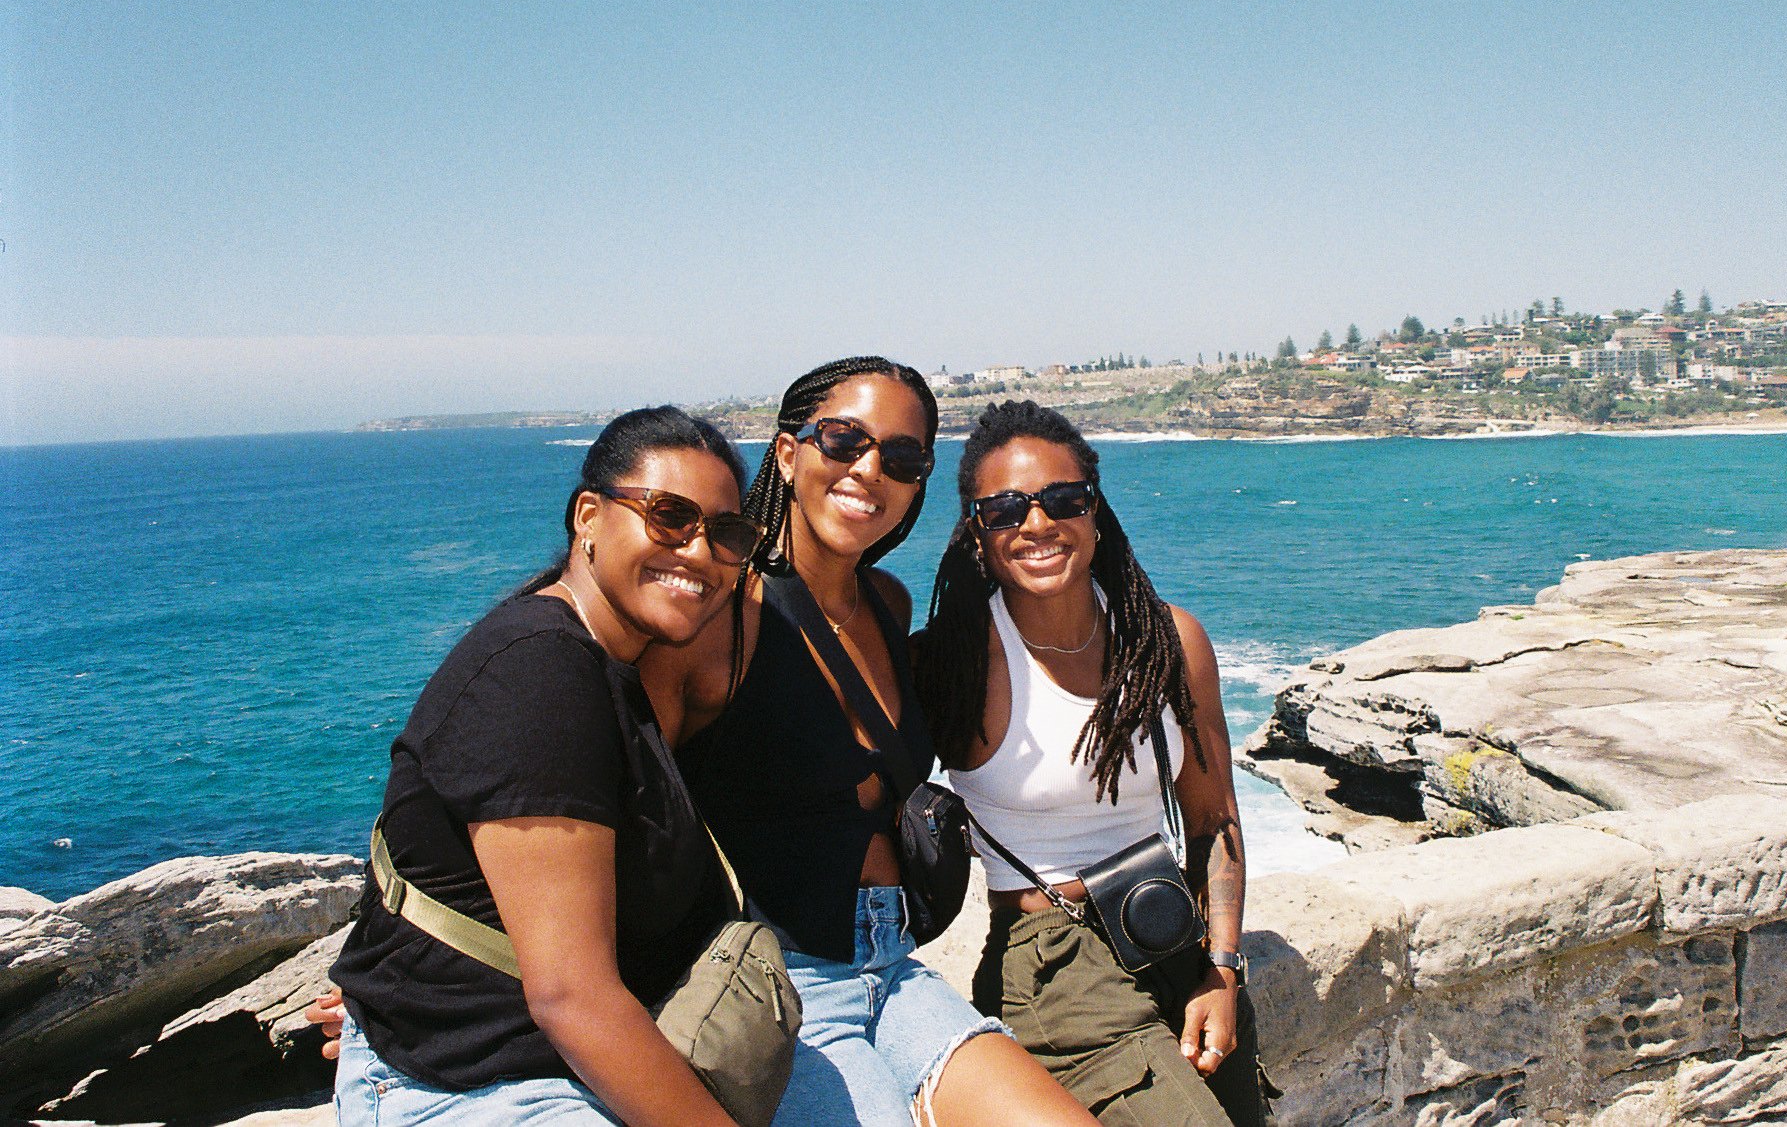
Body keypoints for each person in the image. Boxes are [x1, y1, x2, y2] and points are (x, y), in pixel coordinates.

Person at [642, 358, 1096, 1127]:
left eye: (902, 456)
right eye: (844, 440)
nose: (868, 469)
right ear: (788, 453)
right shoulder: (717, 620)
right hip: (778, 987)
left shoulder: (887, 603)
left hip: (893, 963)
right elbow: (594, 791)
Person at [325, 407, 765, 1125]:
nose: (698, 552)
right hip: (472, 1081)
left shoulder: (609, 662)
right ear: (589, 516)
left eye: (727, 533)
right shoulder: (540, 674)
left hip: (572, 1055)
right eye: (668, 516)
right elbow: (570, 995)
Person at [913, 399, 1277, 1127]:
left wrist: (1222, 966)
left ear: (1095, 511)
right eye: (1006, 509)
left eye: (1062, 499)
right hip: (1053, 967)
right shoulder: (949, 662)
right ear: (976, 535)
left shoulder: (1168, 641)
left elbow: (1214, 818)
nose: (1038, 523)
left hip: (1170, 933)